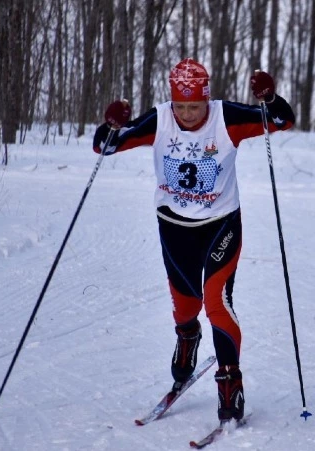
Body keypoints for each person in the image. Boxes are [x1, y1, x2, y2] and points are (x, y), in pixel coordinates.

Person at [92, 58, 296, 422]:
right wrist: (111, 125)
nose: (187, 114)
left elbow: (282, 121)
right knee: (186, 306)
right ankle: (188, 336)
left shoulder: (225, 117)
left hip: (221, 225)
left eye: (195, 106)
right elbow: (105, 148)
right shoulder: (160, 118)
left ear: (207, 99)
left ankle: (230, 383)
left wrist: (271, 98)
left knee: (217, 302)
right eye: (181, 106)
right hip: (174, 227)